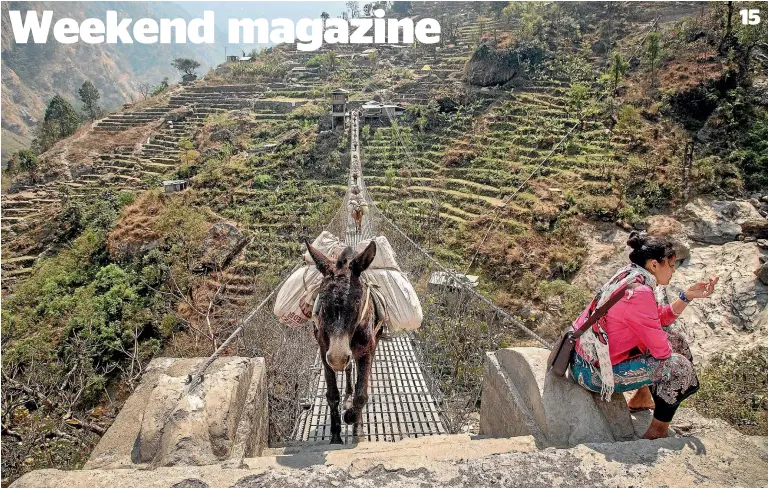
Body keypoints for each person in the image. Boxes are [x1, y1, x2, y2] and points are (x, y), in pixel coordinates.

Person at [570, 231, 719, 440]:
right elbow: (662, 352)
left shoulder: (632, 275)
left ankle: (642, 397)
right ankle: (657, 431)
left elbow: (660, 320)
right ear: (654, 265)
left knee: (675, 340)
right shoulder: (640, 293)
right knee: (679, 368)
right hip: (592, 373)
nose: (673, 271)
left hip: (585, 358)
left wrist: (687, 296)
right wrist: (661, 342)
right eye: (671, 265)